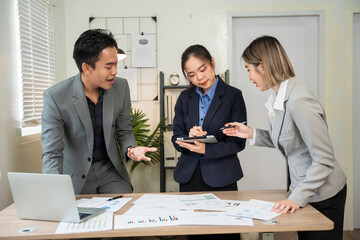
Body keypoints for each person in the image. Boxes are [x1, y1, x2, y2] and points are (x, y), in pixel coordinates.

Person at [223, 35, 347, 240]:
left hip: (324, 194)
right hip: (305, 190)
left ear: (262, 66)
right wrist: (252, 133)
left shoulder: (299, 100)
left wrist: (296, 199)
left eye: (248, 69)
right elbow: (290, 139)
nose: (249, 77)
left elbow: (324, 160)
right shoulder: (278, 96)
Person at [41, 29, 156, 195]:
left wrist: (131, 148)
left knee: (125, 210)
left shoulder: (121, 87)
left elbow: (124, 131)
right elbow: (52, 153)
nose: (115, 71)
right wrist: (54, 192)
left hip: (110, 170)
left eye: (116, 64)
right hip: (75, 174)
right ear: (87, 67)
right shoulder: (55, 97)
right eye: (109, 66)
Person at [172, 44, 247, 240]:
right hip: (190, 176)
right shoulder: (184, 98)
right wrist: (189, 136)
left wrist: (205, 148)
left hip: (222, 176)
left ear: (212, 62)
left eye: (202, 69)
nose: (199, 78)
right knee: (195, 235)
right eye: (192, 74)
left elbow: (237, 143)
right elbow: (175, 137)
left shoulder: (233, 96)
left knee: (225, 234)